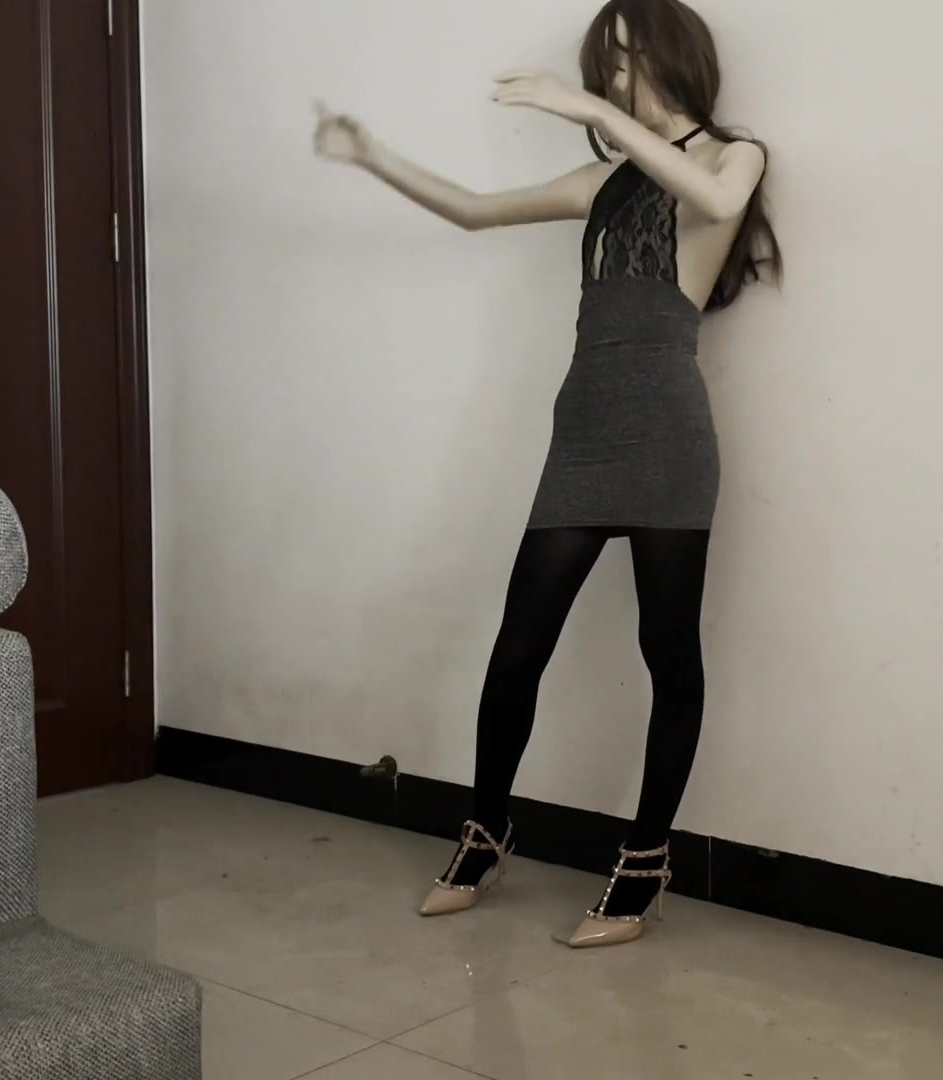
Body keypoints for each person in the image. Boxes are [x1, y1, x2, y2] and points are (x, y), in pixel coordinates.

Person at [313, 0, 781, 948]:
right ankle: (485, 833)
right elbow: (474, 212)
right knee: (518, 646)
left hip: (668, 436)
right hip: (585, 430)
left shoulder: (736, 157)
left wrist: (591, 112)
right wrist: (372, 157)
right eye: (606, 66)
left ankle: (644, 862)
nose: (617, 80)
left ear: (674, 53)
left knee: (668, 652)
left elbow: (716, 201)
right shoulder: (603, 181)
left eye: (627, 59)